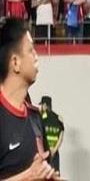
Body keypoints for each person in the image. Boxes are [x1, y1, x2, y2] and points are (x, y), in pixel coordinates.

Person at [0, 18, 59, 179]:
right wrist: (29, 176)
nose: (36, 57)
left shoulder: (35, 118)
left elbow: (41, 172)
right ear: (15, 62)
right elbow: (33, 175)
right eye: (31, 50)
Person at [40, 96, 64, 172]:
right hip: (55, 154)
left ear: (44, 105)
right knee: (55, 175)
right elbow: (61, 137)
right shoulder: (58, 118)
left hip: (44, 153)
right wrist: (54, 150)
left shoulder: (40, 117)